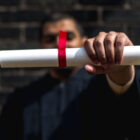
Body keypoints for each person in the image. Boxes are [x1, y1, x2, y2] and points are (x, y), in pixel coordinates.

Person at [0, 13, 138, 140]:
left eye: (68, 37)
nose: (60, 44)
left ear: (83, 41)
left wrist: (120, 66)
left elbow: (122, 86)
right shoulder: (22, 100)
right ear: (41, 46)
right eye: (50, 39)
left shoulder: (100, 85)